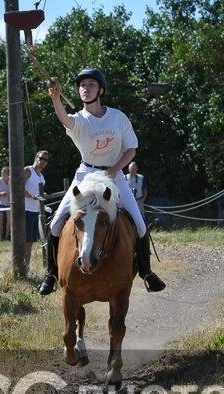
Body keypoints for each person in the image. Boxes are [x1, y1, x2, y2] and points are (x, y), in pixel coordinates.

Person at [39, 67, 166, 295]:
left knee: (139, 224)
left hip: (115, 175)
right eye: (82, 85)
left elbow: (131, 149)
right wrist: (55, 98)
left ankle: (146, 271)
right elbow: (65, 119)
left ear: (100, 90)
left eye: (90, 85)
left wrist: (115, 169)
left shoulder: (118, 117)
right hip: (85, 175)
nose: (85, 89)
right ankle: (51, 273)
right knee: (56, 223)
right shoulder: (79, 120)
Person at [24, 150, 49, 270]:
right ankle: (22, 269)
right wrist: (31, 196)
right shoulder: (28, 171)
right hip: (25, 210)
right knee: (25, 242)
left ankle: (26, 268)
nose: (43, 161)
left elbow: (37, 191)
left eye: (46, 160)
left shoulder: (41, 177)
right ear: (36, 157)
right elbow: (16, 186)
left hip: (35, 211)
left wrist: (43, 194)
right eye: (41, 158)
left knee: (30, 242)